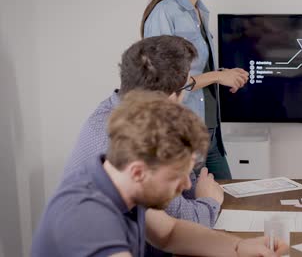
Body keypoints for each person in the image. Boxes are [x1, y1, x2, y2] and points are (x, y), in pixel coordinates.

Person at [33, 91, 286, 256]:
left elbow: (170, 232)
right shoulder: (88, 218)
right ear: (138, 172)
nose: (187, 184)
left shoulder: (118, 182)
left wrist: (238, 247)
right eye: (177, 176)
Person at [63, 36, 223, 255]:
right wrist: (209, 201)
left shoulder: (118, 116)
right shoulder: (132, 143)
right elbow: (184, 216)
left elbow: (168, 230)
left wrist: (237, 246)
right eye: (187, 86)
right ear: (168, 98)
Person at [142, 0, 249, 179]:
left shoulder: (200, 11)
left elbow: (194, 69)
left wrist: (224, 75)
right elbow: (164, 83)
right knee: (194, 213)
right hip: (183, 139)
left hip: (211, 135)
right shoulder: (164, 13)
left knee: (226, 207)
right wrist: (215, 78)